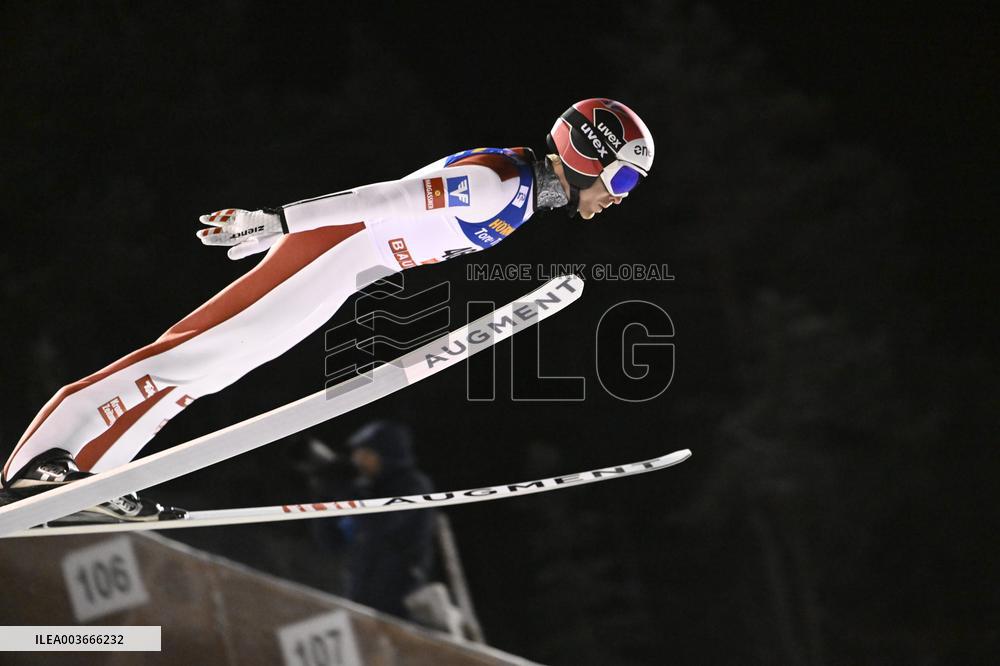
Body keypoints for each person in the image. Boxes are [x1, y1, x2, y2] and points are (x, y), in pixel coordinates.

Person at [1, 98, 655, 523]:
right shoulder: (498, 184)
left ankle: (96, 472)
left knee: (211, 371)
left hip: (341, 270)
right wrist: (277, 222)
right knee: (194, 351)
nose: (620, 198)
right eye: (622, 179)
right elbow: (385, 200)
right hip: (331, 248)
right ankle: (46, 456)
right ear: (587, 156)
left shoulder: (517, 197)